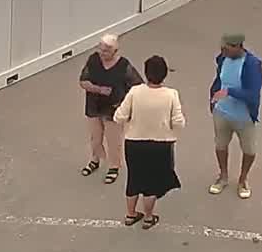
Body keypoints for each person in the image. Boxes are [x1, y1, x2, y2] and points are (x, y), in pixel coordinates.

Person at [115, 54, 184, 228]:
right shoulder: (171, 95)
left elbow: (119, 116)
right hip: (160, 145)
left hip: (134, 142)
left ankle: (130, 214)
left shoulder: (135, 92)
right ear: (165, 74)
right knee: (152, 183)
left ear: (146, 73)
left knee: (133, 178)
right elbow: (178, 122)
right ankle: (148, 217)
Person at [78, 34, 141, 185]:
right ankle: (95, 159)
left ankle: (114, 166)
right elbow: (83, 81)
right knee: (95, 137)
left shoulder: (124, 66)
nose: (102, 53)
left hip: (113, 110)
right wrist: (99, 89)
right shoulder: (93, 60)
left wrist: (125, 103)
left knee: (113, 140)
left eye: (106, 51)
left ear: (115, 51)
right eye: (100, 49)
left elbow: (137, 86)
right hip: (94, 106)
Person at [209, 32, 262, 200]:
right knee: (220, 145)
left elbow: (252, 94)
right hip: (222, 112)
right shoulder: (222, 58)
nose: (223, 51)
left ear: (238, 46)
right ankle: (223, 176)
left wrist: (229, 92)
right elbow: (219, 79)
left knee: (249, 150)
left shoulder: (252, 65)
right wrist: (213, 98)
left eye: (226, 49)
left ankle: (243, 179)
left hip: (243, 117)